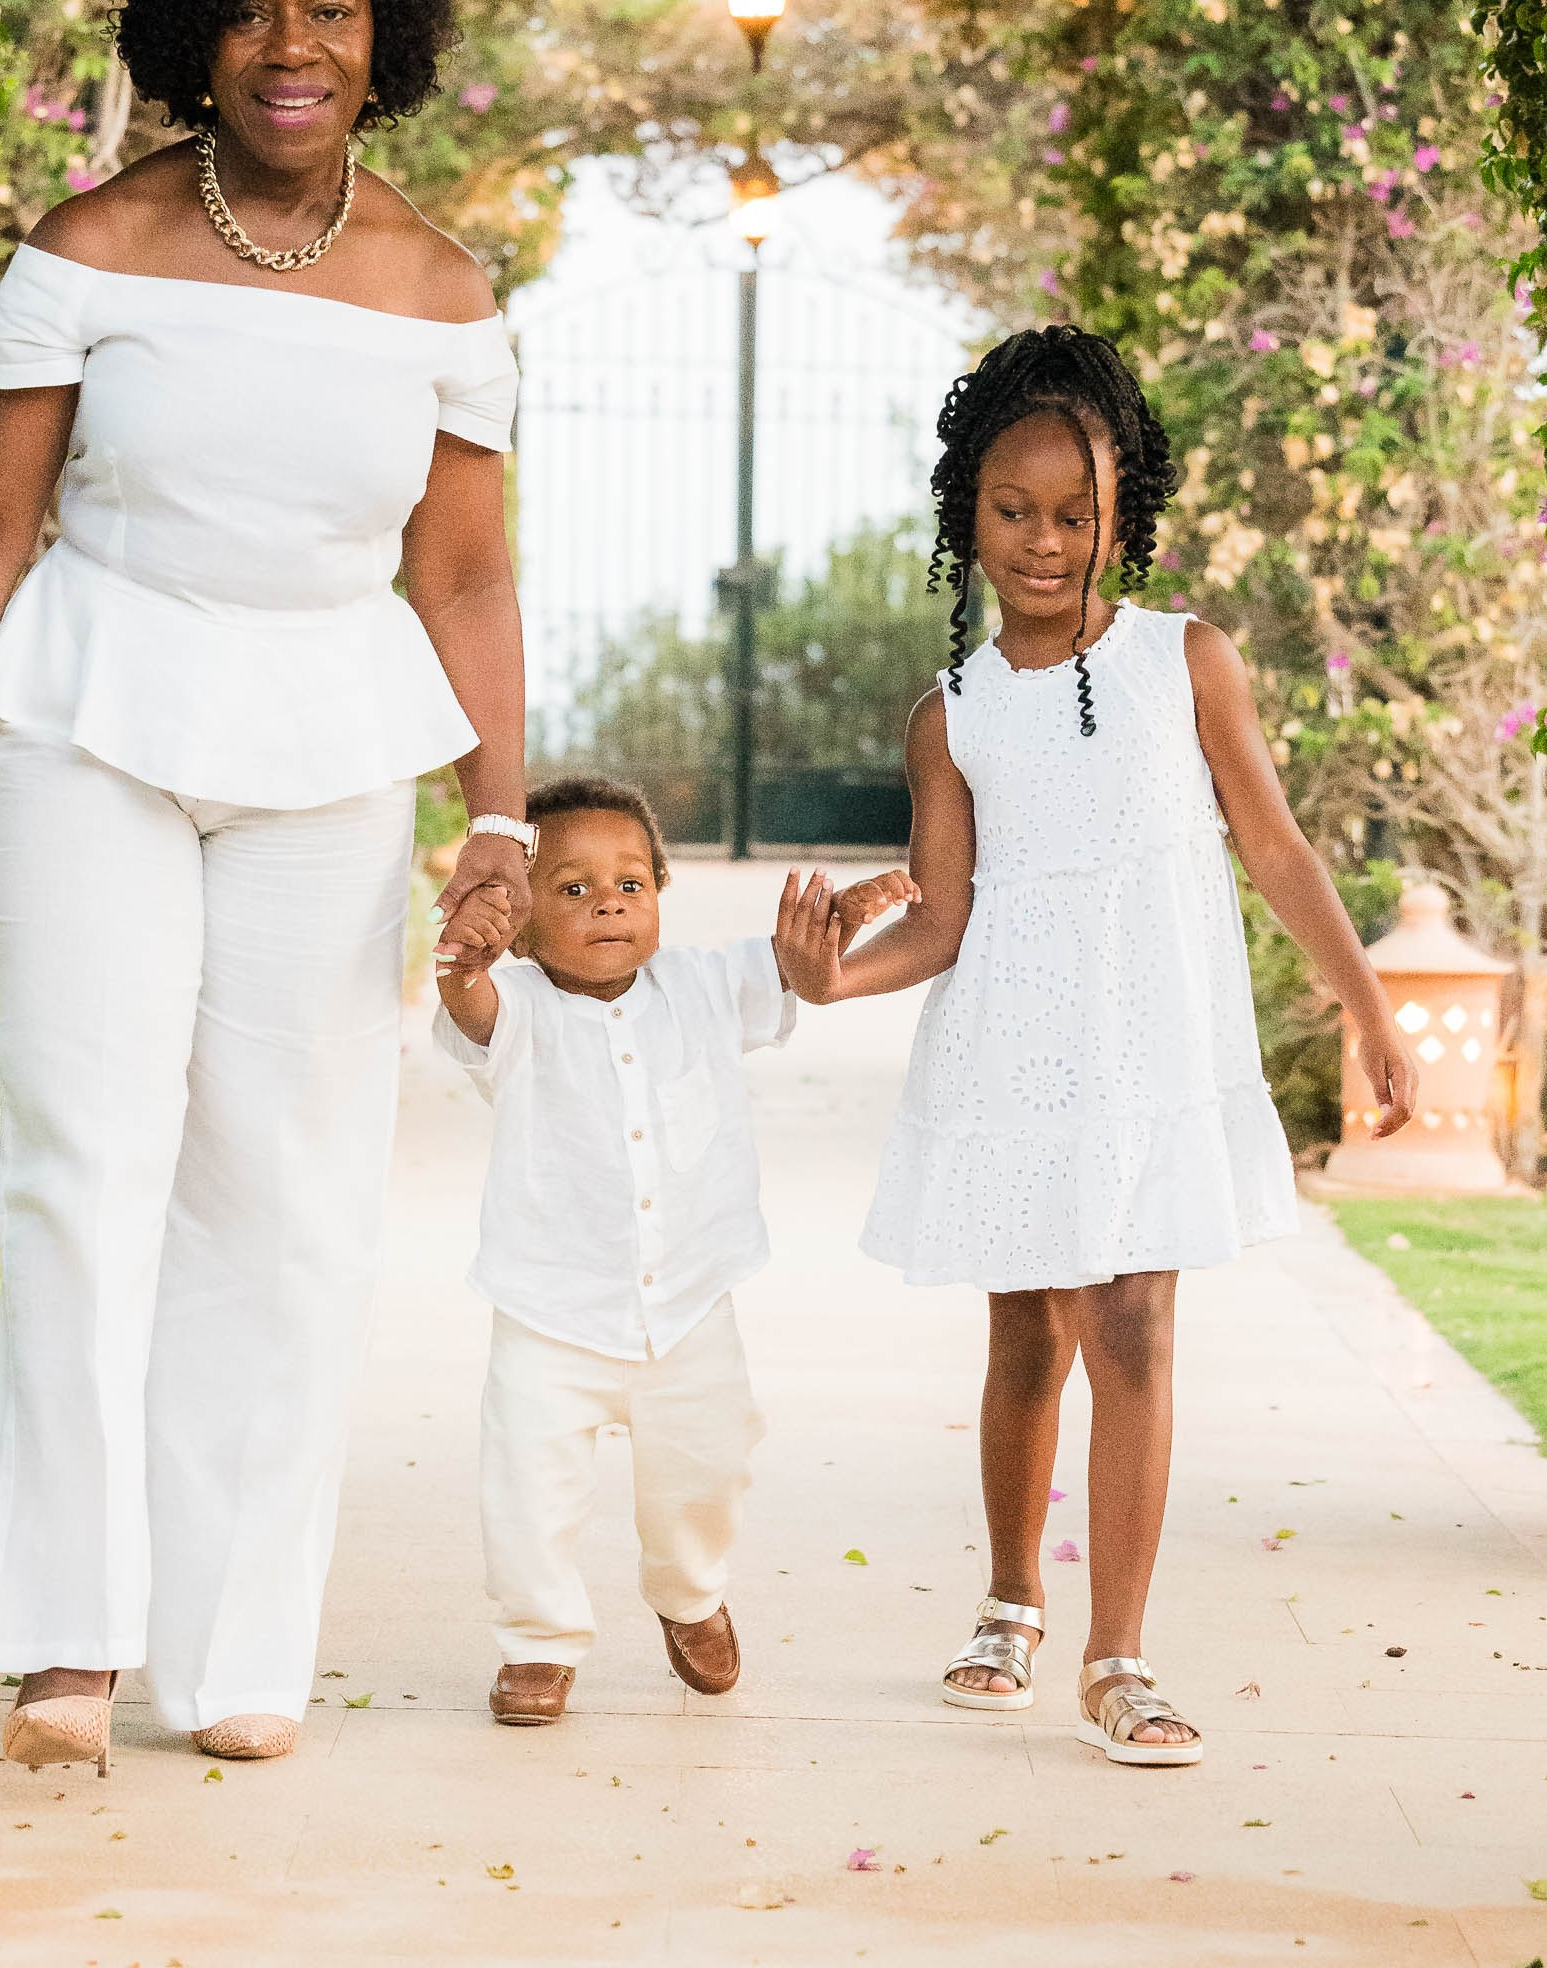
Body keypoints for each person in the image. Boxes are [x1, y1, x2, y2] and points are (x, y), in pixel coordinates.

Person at [0, 0, 532, 1777]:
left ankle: (239, 1645)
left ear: (382, 36)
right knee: (84, 1163)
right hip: (94, 717)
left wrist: (495, 823)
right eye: (251, 8)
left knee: (296, 1193)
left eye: (329, 8)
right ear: (194, 34)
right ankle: (66, 1640)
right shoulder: (91, 250)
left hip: (329, 739)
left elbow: (468, 582)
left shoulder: (442, 294)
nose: (290, 44)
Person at [777, 325, 1417, 1767]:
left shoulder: (1186, 662)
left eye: (1078, 514)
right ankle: (1010, 1598)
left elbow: (1275, 842)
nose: (1047, 542)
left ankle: (1116, 1656)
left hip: (1154, 1044)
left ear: (1125, 513)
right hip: (1016, 1047)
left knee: (1133, 1320)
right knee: (1025, 1333)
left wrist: (1368, 1006)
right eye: (1017, 512)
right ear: (967, 514)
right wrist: (829, 984)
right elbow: (940, 920)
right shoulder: (947, 716)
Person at [433, 774, 907, 1724]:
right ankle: (538, 1640)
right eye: (570, 889)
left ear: (658, 893)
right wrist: (461, 963)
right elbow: (470, 1009)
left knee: (708, 1468)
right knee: (528, 1490)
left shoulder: (702, 982)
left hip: (691, 1305)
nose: (608, 901)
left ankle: (690, 1595)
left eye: (631, 883)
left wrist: (833, 927)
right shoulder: (515, 1006)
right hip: (549, 1312)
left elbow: (786, 966)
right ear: (521, 925)